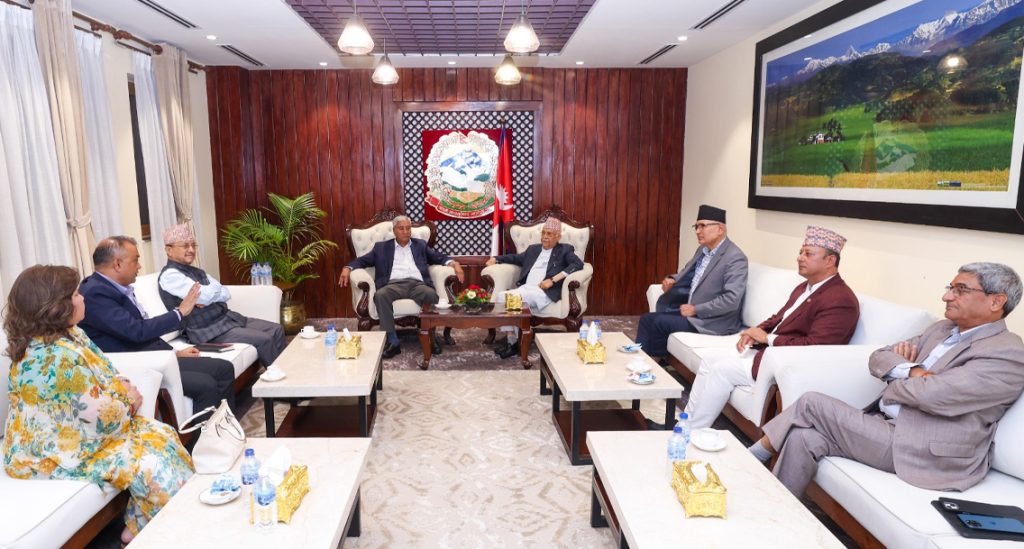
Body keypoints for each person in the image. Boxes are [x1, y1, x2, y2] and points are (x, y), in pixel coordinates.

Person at [749, 263, 1024, 496]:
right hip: (885, 426)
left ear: (996, 301)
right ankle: (775, 515)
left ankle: (751, 459)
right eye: (949, 287)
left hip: (926, 450)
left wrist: (897, 375)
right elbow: (879, 357)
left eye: (960, 290)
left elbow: (933, 396)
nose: (946, 297)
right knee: (802, 437)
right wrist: (912, 371)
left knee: (811, 403)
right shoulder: (942, 329)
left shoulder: (1006, 352)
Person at [2, 265, 194, 545]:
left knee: (162, 435)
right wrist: (129, 399)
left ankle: (142, 526)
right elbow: (103, 420)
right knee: (152, 464)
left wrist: (121, 388)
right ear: (56, 307)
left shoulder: (70, 334)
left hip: (73, 432)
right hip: (49, 449)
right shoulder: (56, 359)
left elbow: (106, 371)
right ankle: (172, 532)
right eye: (76, 295)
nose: (82, 298)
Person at [684, 226, 860, 429]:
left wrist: (767, 338)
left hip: (786, 363)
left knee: (721, 370)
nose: (799, 258)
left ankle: (693, 431)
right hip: (768, 353)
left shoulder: (840, 299)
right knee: (710, 359)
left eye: (808, 254)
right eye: (800, 252)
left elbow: (815, 346)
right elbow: (779, 318)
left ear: (830, 260)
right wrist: (753, 332)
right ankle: (686, 421)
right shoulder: (805, 286)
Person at [79, 236, 236, 416]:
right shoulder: (95, 293)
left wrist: (174, 352)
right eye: (136, 260)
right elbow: (137, 331)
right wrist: (179, 312)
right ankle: (202, 434)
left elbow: (141, 331)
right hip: (137, 364)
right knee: (205, 384)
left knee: (224, 368)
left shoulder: (114, 287)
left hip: (153, 355)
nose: (139, 266)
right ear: (117, 264)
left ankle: (225, 428)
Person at [338, 216, 466, 358]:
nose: (405, 231)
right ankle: (392, 342)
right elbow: (362, 261)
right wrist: (347, 268)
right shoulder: (381, 248)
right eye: (401, 228)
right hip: (392, 285)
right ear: (394, 231)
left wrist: (454, 264)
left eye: (408, 228)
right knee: (380, 296)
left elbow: (439, 257)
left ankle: (430, 337)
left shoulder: (420, 245)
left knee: (431, 294)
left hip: (417, 284)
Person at [158, 224, 285, 367]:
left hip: (227, 319)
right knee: (264, 339)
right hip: (207, 330)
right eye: (185, 246)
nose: (191, 250)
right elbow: (205, 296)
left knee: (277, 329)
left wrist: (208, 295)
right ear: (169, 250)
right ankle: (278, 379)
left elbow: (225, 293)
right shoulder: (170, 276)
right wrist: (209, 294)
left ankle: (287, 374)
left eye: (193, 245)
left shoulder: (197, 271)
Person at [636, 204, 748, 358]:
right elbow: (687, 272)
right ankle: (651, 362)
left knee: (651, 321)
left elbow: (731, 300)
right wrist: (672, 279)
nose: (697, 231)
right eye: (696, 226)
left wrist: (696, 309)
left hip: (713, 322)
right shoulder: (703, 250)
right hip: (690, 312)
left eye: (702, 226)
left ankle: (644, 362)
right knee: (650, 320)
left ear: (720, 229)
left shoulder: (735, 258)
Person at [485, 217, 585, 359]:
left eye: (549, 234)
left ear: (558, 236)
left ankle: (514, 344)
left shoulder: (565, 250)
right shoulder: (533, 249)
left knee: (513, 299)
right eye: (543, 232)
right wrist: (497, 259)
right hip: (526, 288)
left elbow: (578, 264)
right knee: (502, 297)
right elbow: (515, 258)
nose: (545, 236)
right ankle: (512, 340)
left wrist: (553, 280)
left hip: (544, 292)